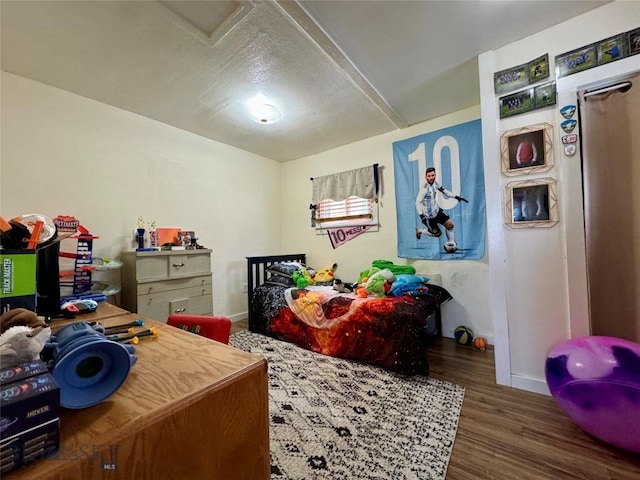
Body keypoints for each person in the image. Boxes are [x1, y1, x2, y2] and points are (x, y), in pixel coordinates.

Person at [415, 167, 468, 247]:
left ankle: (451, 243)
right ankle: (421, 231)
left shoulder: (435, 183)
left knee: (450, 224)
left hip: (437, 211)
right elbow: (417, 202)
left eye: (433, 175)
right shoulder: (424, 189)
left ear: (435, 175)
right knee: (438, 234)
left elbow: (444, 190)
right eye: (429, 176)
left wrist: (456, 197)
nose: (431, 177)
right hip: (429, 217)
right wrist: (422, 216)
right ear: (426, 177)